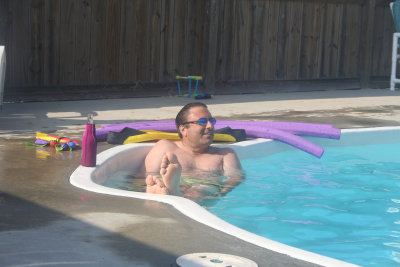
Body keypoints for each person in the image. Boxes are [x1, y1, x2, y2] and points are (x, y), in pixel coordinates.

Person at [145, 102, 243, 201]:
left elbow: (234, 180)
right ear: (183, 129)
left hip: (204, 189)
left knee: (198, 191)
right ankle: (172, 190)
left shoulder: (225, 154)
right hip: (182, 188)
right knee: (165, 187)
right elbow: (148, 177)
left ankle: (173, 193)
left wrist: (219, 194)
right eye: (202, 122)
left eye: (211, 121)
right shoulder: (166, 147)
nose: (210, 126)